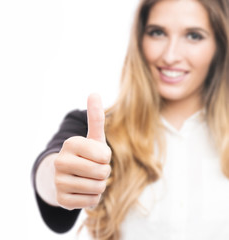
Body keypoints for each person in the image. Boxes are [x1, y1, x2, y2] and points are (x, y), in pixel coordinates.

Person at [31, 0, 229, 239]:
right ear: (140, 40)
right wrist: (59, 177)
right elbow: (50, 170)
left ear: (219, 44)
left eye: (194, 36)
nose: (171, 55)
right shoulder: (99, 131)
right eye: (157, 33)